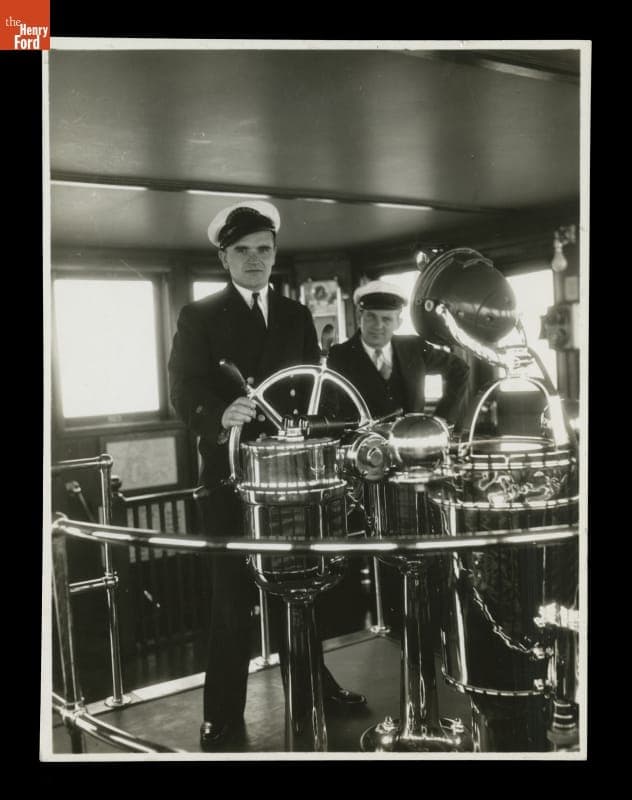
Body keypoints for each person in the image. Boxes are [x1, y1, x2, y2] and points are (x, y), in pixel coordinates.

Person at [168, 201, 366, 752]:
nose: (255, 260)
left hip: (289, 478)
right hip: (231, 479)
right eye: (243, 251)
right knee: (230, 602)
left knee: (300, 592)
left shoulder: (297, 316)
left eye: (264, 249)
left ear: (274, 254)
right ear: (224, 258)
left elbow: (310, 390)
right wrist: (219, 415)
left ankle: (312, 686)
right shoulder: (199, 316)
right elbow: (183, 389)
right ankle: (221, 713)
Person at [326, 280, 470, 423]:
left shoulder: (413, 347)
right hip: (362, 444)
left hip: (411, 443)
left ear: (398, 323)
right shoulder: (339, 356)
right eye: (371, 317)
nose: (378, 326)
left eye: (386, 319)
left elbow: (460, 369)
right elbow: (329, 410)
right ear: (359, 318)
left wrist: (441, 419)